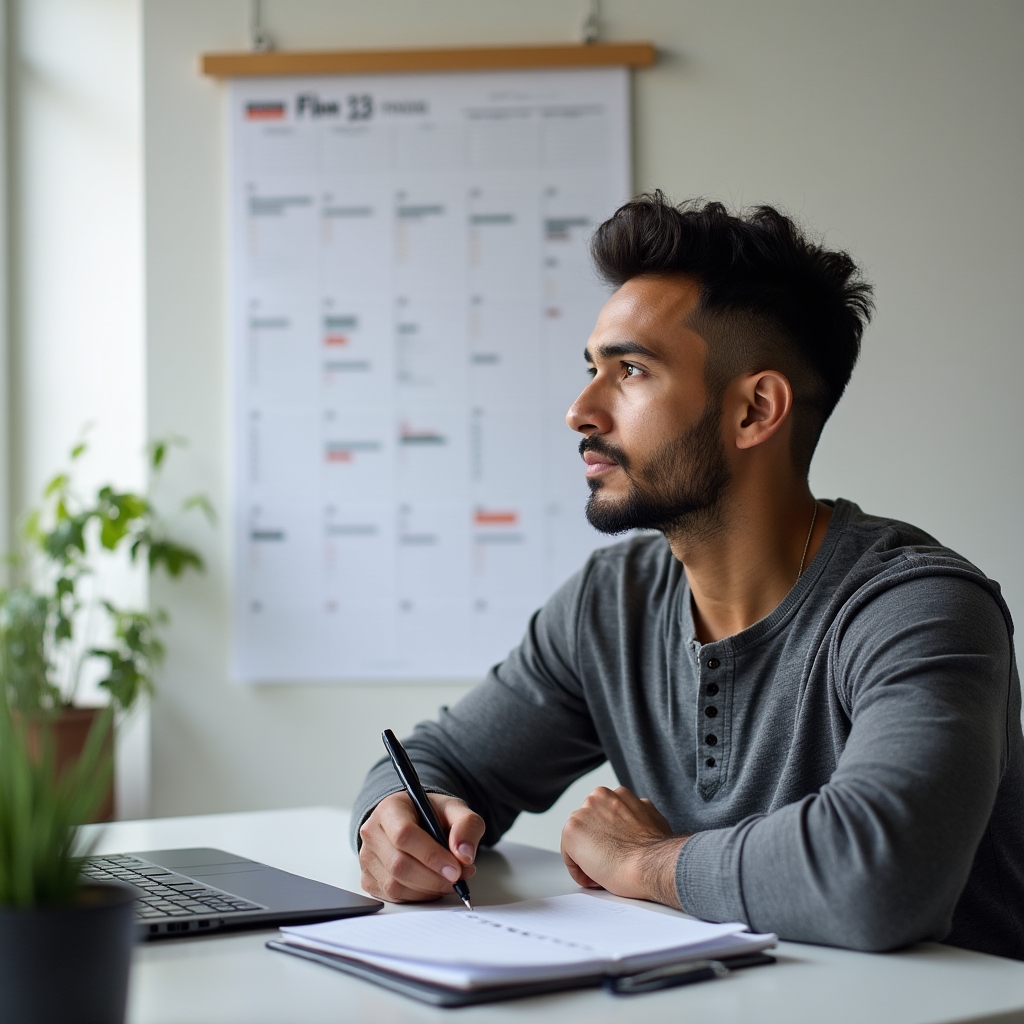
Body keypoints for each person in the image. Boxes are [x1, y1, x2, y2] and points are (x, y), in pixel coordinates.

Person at [352, 194, 1024, 958]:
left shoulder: (918, 608)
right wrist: (395, 820)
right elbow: (445, 761)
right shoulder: (612, 604)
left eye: (630, 370)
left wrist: (641, 861)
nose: (580, 409)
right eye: (590, 370)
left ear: (754, 411)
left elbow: (881, 873)